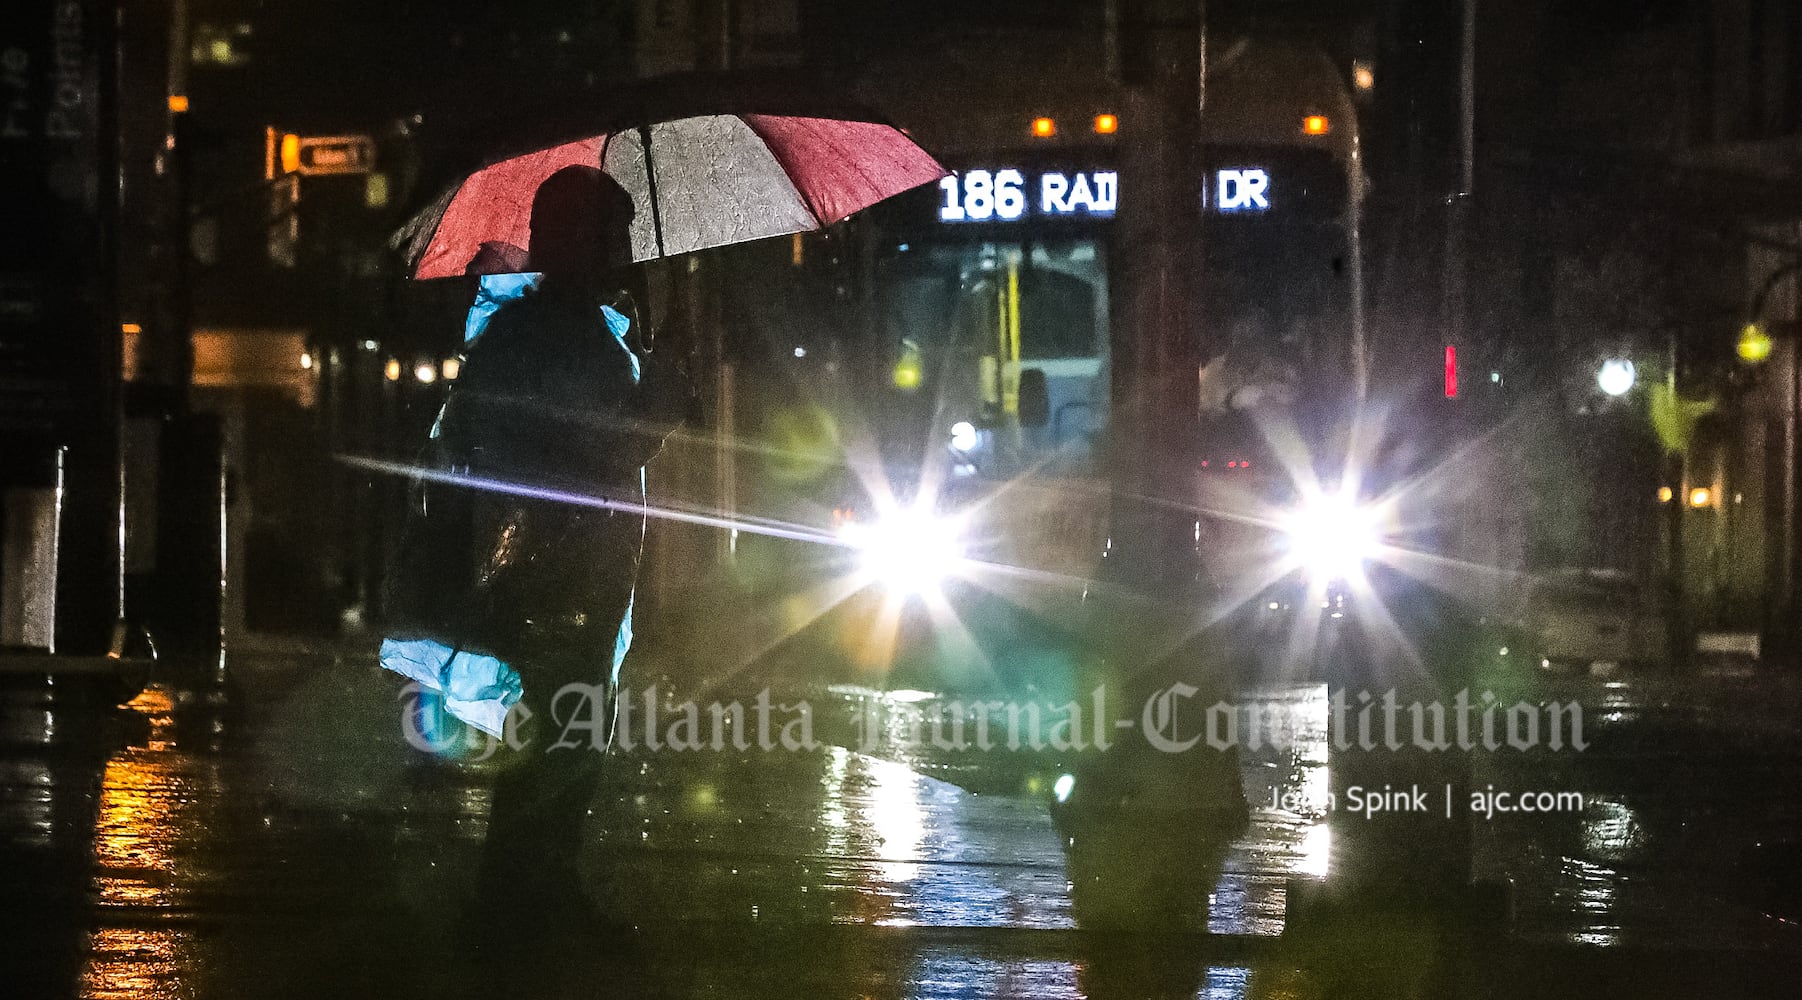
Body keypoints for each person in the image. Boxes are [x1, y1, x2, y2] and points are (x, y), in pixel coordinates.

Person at [385, 164, 686, 915]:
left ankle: (530, 890)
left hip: (566, 570)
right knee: (566, 736)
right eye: (609, 237)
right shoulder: (557, 334)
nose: (620, 253)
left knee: (561, 733)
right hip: (560, 574)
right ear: (573, 241)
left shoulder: (551, 327)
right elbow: (594, 455)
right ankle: (528, 897)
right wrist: (662, 400)